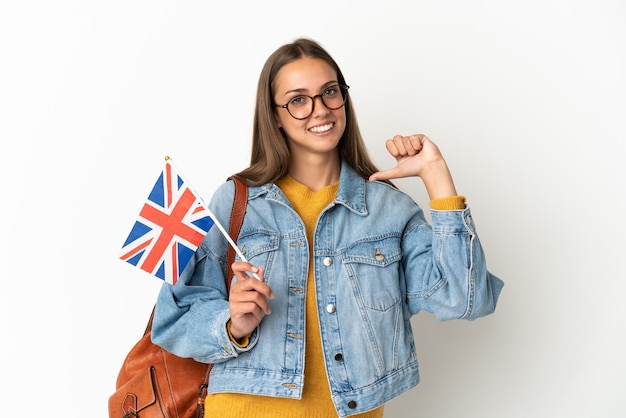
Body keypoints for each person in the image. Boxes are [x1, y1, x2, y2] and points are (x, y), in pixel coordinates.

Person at [152, 37, 504, 418]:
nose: (320, 110)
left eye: (329, 93)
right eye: (298, 100)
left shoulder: (389, 210)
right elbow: (174, 318)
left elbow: (466, 300)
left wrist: (437, 179)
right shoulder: (236, 202)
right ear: (274, 115)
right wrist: (233, 325)